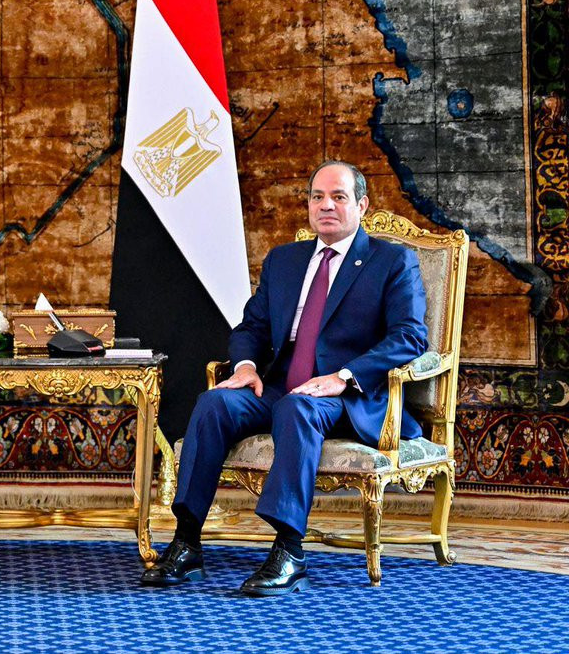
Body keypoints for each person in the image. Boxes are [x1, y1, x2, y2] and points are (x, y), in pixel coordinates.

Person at [141, 161, 428, 596]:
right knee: (214, 403)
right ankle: (186, 542)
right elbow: (251, 328)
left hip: (345, 395)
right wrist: (245, 367)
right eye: (317, 197)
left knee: (298, 408)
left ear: (362, 206)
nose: (326, 205)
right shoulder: (284, 261)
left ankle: (289, 551)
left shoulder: (391, 261)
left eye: (338, 197)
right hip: (278, 385)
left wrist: (344, 376)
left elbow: (410, 336)